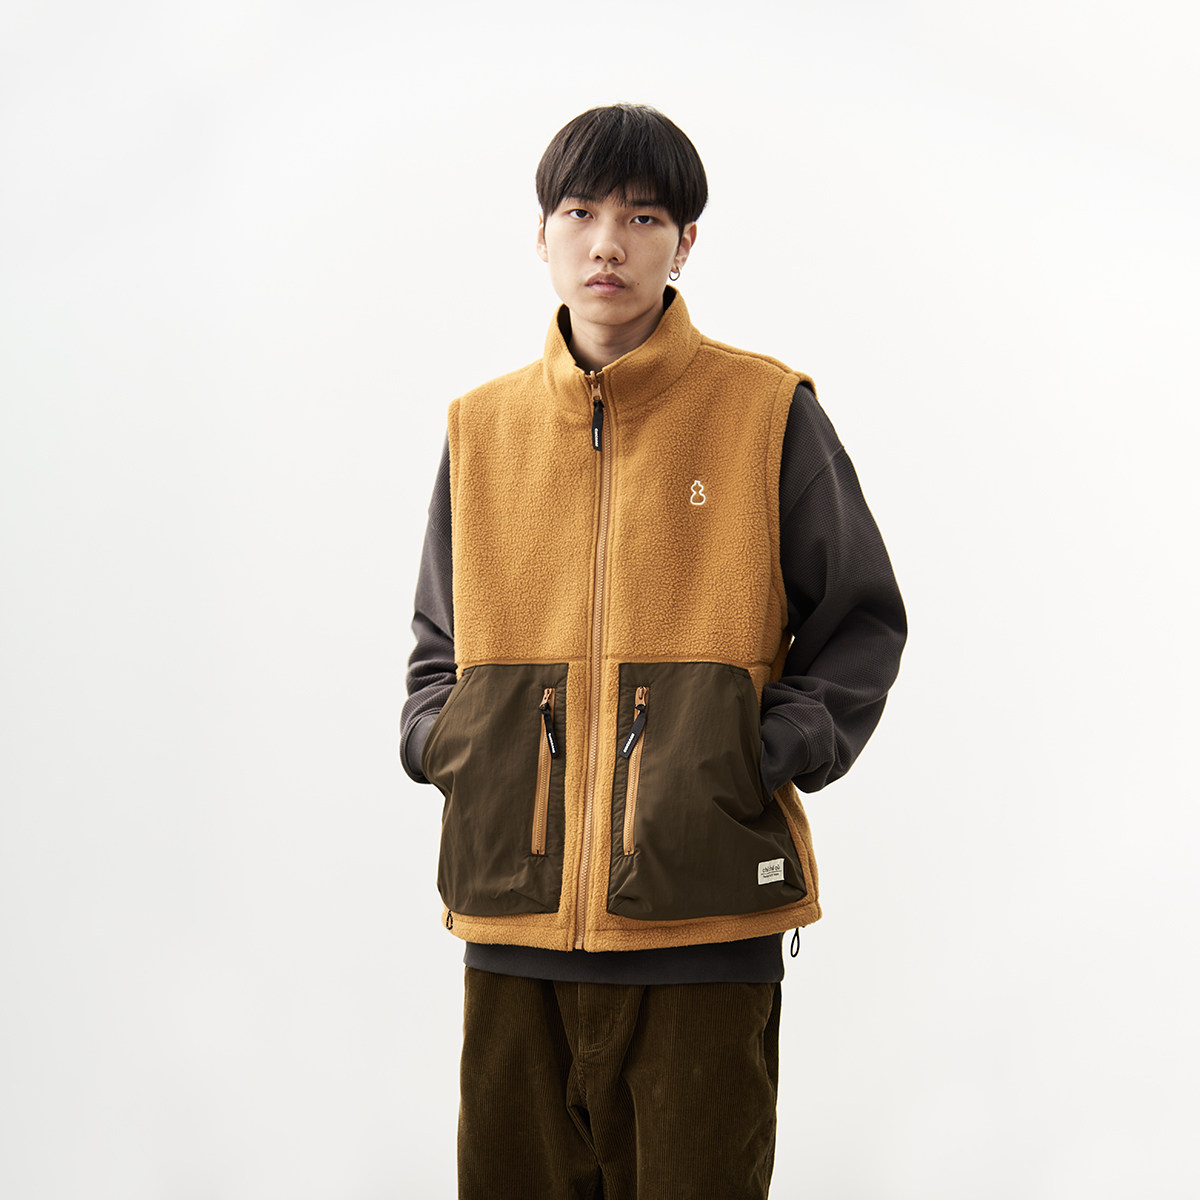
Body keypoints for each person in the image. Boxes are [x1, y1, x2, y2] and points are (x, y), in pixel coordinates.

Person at [400, 103, 906, 1200]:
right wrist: (445, 741)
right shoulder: (479, 430)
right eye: (580, 213)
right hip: (512, 923)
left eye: (642, 217)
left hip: (704, 925)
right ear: (541, 234)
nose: (607, 244)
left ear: (685, 243)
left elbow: (861, 622)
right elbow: (437, 646)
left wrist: (751, 752)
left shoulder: (766, 412)